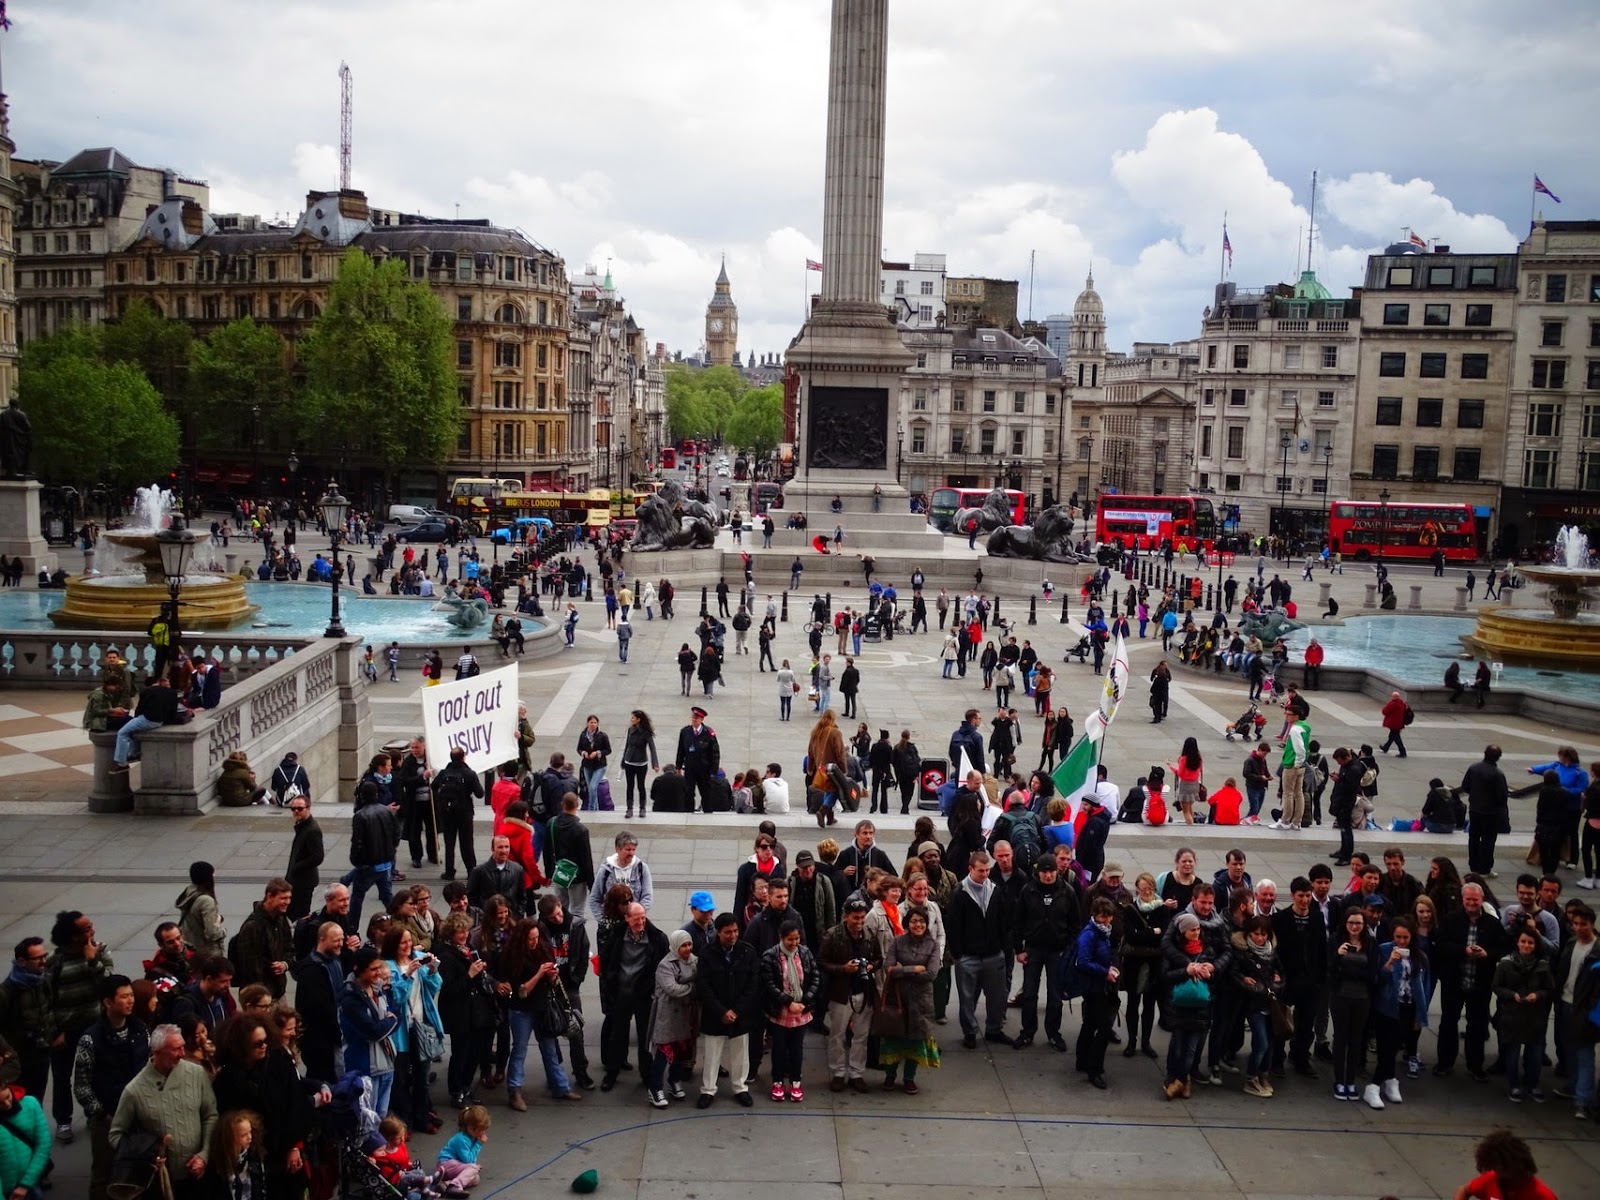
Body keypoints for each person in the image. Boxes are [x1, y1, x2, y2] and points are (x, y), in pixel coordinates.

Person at [108, 1023, 219, 1196]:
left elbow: (210, 1115)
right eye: (176, 1049)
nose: (183, 1054)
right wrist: (145, 1156)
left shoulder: (196, 1074)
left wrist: (204, 1154)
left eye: (183, 1047)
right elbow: (116, 1134)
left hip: (198, 1175)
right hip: (159, 1183)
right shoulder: (134, 1090)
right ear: (157, 1051)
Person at [71, 974, 150, 1200]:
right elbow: (82, 1087)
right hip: (108, 1119)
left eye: (132, 995)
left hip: (140, 1115)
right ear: (107, 1002)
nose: (131, 1001)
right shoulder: (90, 1039)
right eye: (124, 997)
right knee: (103, 1176)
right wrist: (103, 1115)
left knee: (137, 1173)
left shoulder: (140, 1029)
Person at [499, 918, 581, 1109]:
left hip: (542, 1006)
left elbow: (552, 983)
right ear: (522, 939)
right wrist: (538, 974)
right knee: (519, 1049)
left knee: (550, 1048)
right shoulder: (512, 957)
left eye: (536, 938)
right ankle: (514, 1090)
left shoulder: (543, 949)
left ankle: (560, 1086)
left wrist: (552, 976)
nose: (535, 942)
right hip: (521, 1008)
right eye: (530, 939)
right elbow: (521, 991)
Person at [1433, 882, 1510, 1081]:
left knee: (1477, 1025)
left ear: (1482, 899)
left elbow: (1504, 947)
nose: (1471, 903)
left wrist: (1487, 953)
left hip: (1480, 982)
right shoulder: (1451, 919)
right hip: (1454, 981)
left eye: (1475, 899)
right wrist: (1462, 951)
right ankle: (1445, 1063)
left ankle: (1475, 1065)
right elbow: (1440, 945)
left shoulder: (1492, 923)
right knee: (1448, 1022)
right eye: (1468, 899)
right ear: (1462, 899)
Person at [596, 903, 668, 1092]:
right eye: (636, 918)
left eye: (643, 917)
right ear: (627, 918)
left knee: (645, 1037)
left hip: (644, 995)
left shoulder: (657, 938)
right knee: (618, 1035)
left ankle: (646, 1075)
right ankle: (612, 1072)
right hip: (621, 993)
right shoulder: (617, 935)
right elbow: (606, 960)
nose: (641, 922)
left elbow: (662, 967)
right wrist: (610, 986)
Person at [1013, 852, 1077, 1052]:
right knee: (1030, 994)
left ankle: (1053, 1033)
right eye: (1045, 872)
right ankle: (1027, 1032)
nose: (1048, 876)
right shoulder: (1028, 891)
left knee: (1055, 995)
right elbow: (1018, 922)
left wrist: (1069, 949)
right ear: (1038, 872)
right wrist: (1019, 949)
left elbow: (1075, 924)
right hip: (1033, 949)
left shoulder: (1067, 892)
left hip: (1057, 951)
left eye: (1052, 872)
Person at [694, 913, 759, 1109]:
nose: (733, 935)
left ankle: (740, 1088)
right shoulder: (707, 953)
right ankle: (708, 1090)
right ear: (719, 933)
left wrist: (737, 1011)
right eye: (728, 932)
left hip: (740, 1014)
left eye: (736, 931)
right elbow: (703, 985)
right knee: (712, 1053)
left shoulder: (748, 952)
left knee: (741, 1053)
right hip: (716, 1014)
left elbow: (753, 984)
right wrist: (722, 1011)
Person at [818, 898, 882, 1093]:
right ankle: (838, 1073)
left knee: (861, 1036)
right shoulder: (832, 936)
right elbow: (820, 962)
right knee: (836, 1035)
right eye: (855, 918)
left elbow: (879, 958)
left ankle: (856, 1073)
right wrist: (843, 969)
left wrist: (870, 966)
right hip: (840, 994)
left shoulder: (869, 934)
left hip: (864, 992)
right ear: (845, 917)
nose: (859, 922)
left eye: (862, 918)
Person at [1493, 926, 1556, 1102]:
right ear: (1517, 943)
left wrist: (1538, 995)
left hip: (1534, 1016)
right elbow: (1497, 986)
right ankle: (1513, 1085)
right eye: (1523, 942)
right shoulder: (1505, 963)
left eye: (1530, 942)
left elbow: (1550, 989)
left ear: (1536, 945)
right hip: (1512, 1015)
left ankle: (1533, 1084)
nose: (1526, 945)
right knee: (1512, 1053)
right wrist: (1511, 995)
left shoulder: (1543, 965)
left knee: (1535, 1054)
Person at [759, 920, 820, 1102]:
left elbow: (815, 977)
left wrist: (805, 999)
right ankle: (777, 1082)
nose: (794, 943)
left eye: (797, 939)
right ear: (781, 938)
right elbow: (769, 984)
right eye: (790, 940)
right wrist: (787, 1002)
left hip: (801, 1009)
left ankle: (795, 1081)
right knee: (778, 1048)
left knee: (796, 1049)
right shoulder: (770, 956)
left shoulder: (805, 952)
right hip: (781, 1011)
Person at [1452, 1128, 1557, 1200]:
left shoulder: (1543, 1196)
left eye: (1500, 1169)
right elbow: (1464, 1190)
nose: (1498, 1174)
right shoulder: (1492, 1179)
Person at [1462, 745, 1509, 877]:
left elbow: (1465, 786)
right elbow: (1502, 796)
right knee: (1488, 840)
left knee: (1474, 838)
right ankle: (1485, 867)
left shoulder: (1473, 768)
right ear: (1498, 757)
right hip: (1491, 812)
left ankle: (1474, 866)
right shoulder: (1498, 774)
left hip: (1475, 809)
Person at [0, 1081, 49, 1200]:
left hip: (29, 1185)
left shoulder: (30, 1104)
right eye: (0, 1103)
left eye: (7, 1097)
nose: (7, 1104)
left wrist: (25, 1184)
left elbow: (43, 1145)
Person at [590, 832, 653, 921]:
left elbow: (647, 897)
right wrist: (602, 920)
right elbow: (594, 898)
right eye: (628, 849)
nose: (631, 853)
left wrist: (637, 915)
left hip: (633, 921)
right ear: (618, 849)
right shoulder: (605, 870)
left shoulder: (642, 868)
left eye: (633, 849)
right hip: (611, 921)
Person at [284, 793, 324, 920]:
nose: (296, 811)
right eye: (293, 808)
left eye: (300, 808)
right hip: (296, 880)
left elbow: (318, 857)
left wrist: (296, 867)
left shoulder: (312, 830)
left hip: (303, 882)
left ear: (308, 808)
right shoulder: (302, 826)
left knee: (299, 916)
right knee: (291, 913)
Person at [675, 707, 721, 812]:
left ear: (702, 719)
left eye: (697, 718)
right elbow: (681, 750)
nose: (694, 720)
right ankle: (688, 811)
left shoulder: (709, 733)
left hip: (704, 768)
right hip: (690, 767)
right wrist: (678, 766)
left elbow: (715, 752)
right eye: (693, 717)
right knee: (688, 791)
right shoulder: (685, 732)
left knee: (706, 792)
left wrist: (714, 770)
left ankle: (707, 811)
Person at [620, 710, 659, 820]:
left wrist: (655, 763)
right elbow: (627, 746)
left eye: (633, 718)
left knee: (641, 786)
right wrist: (623, 761)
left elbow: (652, 748)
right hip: (629, 761)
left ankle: (642, 808)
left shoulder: (646, 732)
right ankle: (629, 808)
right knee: (630, 786)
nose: (631, 720)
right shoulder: (630, 730)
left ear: (638, 720)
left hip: (641, 762)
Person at [1379, 690, 1409, 758]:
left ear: (1393, 697)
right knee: (1392, 736)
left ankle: (1402, 752)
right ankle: (1385, 747)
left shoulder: (1392, 704)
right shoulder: (1402, 703)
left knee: (1396, 737)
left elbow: (1384, 711)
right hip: (1399, 723)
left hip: (1393, 723)